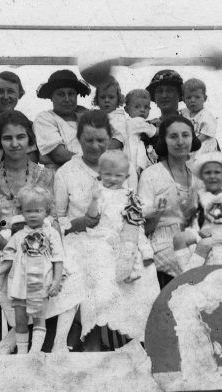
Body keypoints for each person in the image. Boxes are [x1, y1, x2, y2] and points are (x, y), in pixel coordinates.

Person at [0, 110, 55, 355]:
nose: (14, 143)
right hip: (0, 245)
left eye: (20, 137)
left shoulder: (44, 175)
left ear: (30, 139)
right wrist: (12, 249)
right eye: (7, 138)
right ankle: (16, 342)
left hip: (38, 242)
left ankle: (9, 344)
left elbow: (50, 218)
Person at [53, 111, 130, 351]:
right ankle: (85, 341)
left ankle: (124, 341)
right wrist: (80, 223)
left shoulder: (121, 166)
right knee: (86, 270)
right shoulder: (66, 172)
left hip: (116, 237)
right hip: (78, 238)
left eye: (101, 140)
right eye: (89, 140)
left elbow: (130, 207)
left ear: (110, 138)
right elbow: (57, 220)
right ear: (78, 139)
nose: (95, 146)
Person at [70, 150, 159, 346]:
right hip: (105, 235)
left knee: (142, 263)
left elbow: (141, 211)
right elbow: (92, 216)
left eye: (118, 175)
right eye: (107, 174)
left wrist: (156, 208)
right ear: (100, 174)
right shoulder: (99, 192)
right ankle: (99, 331)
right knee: (102, 266)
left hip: (126, 237)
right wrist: (94, 200)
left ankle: (137, 332)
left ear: (126, 177)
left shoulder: (129, 195)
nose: (112, 179)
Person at [0, 186, 64, 354]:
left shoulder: (51, 234)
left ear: (46, 212)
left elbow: (58, 259)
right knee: (20, 320)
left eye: (38, 211)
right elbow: (9, 259)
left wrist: (56, 281)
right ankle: (22, 354)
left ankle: (34, 352)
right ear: (21, 212)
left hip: (40, 282)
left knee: (38, 318)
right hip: (20, 284)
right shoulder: (18, 236)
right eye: (29, 211)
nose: (33, 215)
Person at [137, 115, 201, 288]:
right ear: (164, 141)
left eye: (185, 135)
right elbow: (142, 227)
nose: (180, 142)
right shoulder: (151, 174)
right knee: (194, 270)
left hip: (193, 238)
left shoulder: (198, 175)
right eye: (173, 136)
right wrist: (158, 212)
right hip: (162, 242)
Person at [33, 69, 92, 169]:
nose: (67, 99)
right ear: (51, 97)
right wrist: (94, 162)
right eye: (61, 94)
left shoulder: (87, 116)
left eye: (71, 94)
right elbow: (59, 155)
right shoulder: (44, 118)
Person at [118, 89, 157, 176]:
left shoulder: (128, 122)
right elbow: (156, 132)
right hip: (135, 163)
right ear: (127, 109)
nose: (142, 110)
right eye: (137, 107)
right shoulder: (137, 121)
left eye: (146, 107)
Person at [180, 78, 218, 156]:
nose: (192, 100)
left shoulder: (207, 116)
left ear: (205, 98)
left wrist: (191, 144)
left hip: (203, 146)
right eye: (189, 97)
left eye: (197, 97)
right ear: (183, 99)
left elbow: (205, 135)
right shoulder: (183, 113)